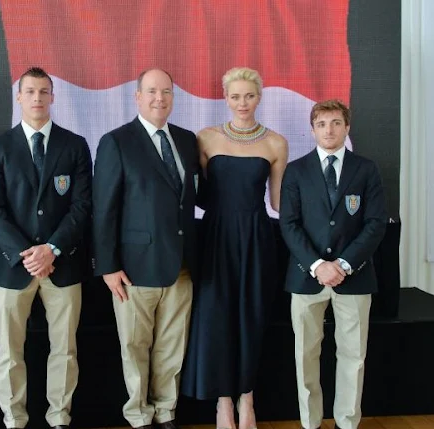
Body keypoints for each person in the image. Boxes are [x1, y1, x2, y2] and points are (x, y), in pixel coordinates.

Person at [0, 67, 92, 429]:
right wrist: (28, 254)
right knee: (10, 353)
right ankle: (15, 419)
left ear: (53, 96)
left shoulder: (74, 145)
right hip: (13, 267)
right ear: (19, 97)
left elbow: (82, 206)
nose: (37, 99)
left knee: (65, 349)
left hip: (63, 266)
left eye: (44, 92)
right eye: (30, 92)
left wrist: (53, 249)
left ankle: (59, 417)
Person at [180, 67, 289, 429]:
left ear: (259, 98)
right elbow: (195, 193)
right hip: (215, 237)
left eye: (249, 96)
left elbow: (279, 203)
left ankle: (247, 399)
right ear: (225, 98)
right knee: (217, 318)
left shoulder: (276, 143)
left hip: (257, 238)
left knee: (251, 317)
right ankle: (223, 402)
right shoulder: (205, 138)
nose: (242, 103)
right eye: (235, 96)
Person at [92, 68, 199, 429]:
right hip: (133, 269)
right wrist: (107, 265)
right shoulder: (116, 141)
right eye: (152, 91)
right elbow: (104, 208)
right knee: (135, 347)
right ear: (137, 96)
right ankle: (138, 415)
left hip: (181, 265)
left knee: (172, 345)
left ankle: (166, 411)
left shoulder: (186, 140)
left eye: (166, 91)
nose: (159, 98)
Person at [279, 100, 387, 429]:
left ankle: (347, 422)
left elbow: (375, 223)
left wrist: (342, 263)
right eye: (322, 123)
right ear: (312, 129)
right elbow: (289, 224)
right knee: (305, 355)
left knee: (353, 356)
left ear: (347, 127)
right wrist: (317, 265)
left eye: (336, 123)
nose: (329, 129)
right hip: (306, 277)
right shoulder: (296, 170)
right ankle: (310, 422)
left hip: (353, 277)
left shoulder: (366, 169)